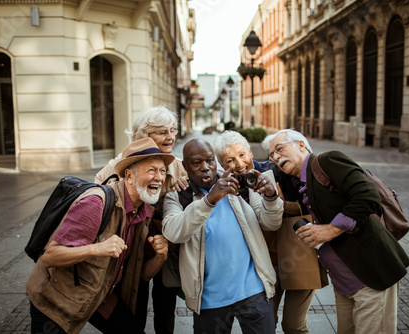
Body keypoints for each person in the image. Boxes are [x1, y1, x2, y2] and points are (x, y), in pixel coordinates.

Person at [262, 129, 409, 334]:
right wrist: (282, 204)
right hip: (344, 285)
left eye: (279, 149)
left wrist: (332, 229)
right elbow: (318, 212)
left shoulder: (328, 161)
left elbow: (367, 195)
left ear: (301, 145)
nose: (276, 157)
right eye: (272, 155)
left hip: (371, 274)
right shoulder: (302, 184)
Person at [25, 138, 175, 334]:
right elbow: (51, 256)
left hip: (101, 295)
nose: (159, 177)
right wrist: (98, 248)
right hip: (54, 299)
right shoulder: (96, 203)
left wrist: (160, 256)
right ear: (129, 175)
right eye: (151, 170)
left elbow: (144, 275)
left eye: (162, 171)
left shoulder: (145, 213)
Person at [162, 138, 284, 333]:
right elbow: (173, 232)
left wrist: (271, 198)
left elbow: (271, 223)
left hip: (254, 292)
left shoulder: (240, 185)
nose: (205, 167)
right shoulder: (177, 196)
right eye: (196, 163)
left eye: (209, 161)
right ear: (185, 166)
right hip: (208, 300)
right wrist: (209, 200)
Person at [213, 130, 324, 333]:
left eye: (242, 154)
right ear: (221, 164)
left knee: (293, 325)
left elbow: (310, 203)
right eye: (229, 159)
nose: (239, 163)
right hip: (264, 265)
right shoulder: (223, 186)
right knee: (265, 323)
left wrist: (280, 202)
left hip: (296, 254)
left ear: (251, 153)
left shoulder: (276, 172)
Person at [94, 105, 187, 333]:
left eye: (173, 130)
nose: (171, 136)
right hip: (132, 246)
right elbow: (98, 197)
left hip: (165, 244)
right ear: (144, 135)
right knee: (136, 297)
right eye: (163, 132)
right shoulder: (118, 164)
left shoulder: (176, 164)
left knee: (166, 298)